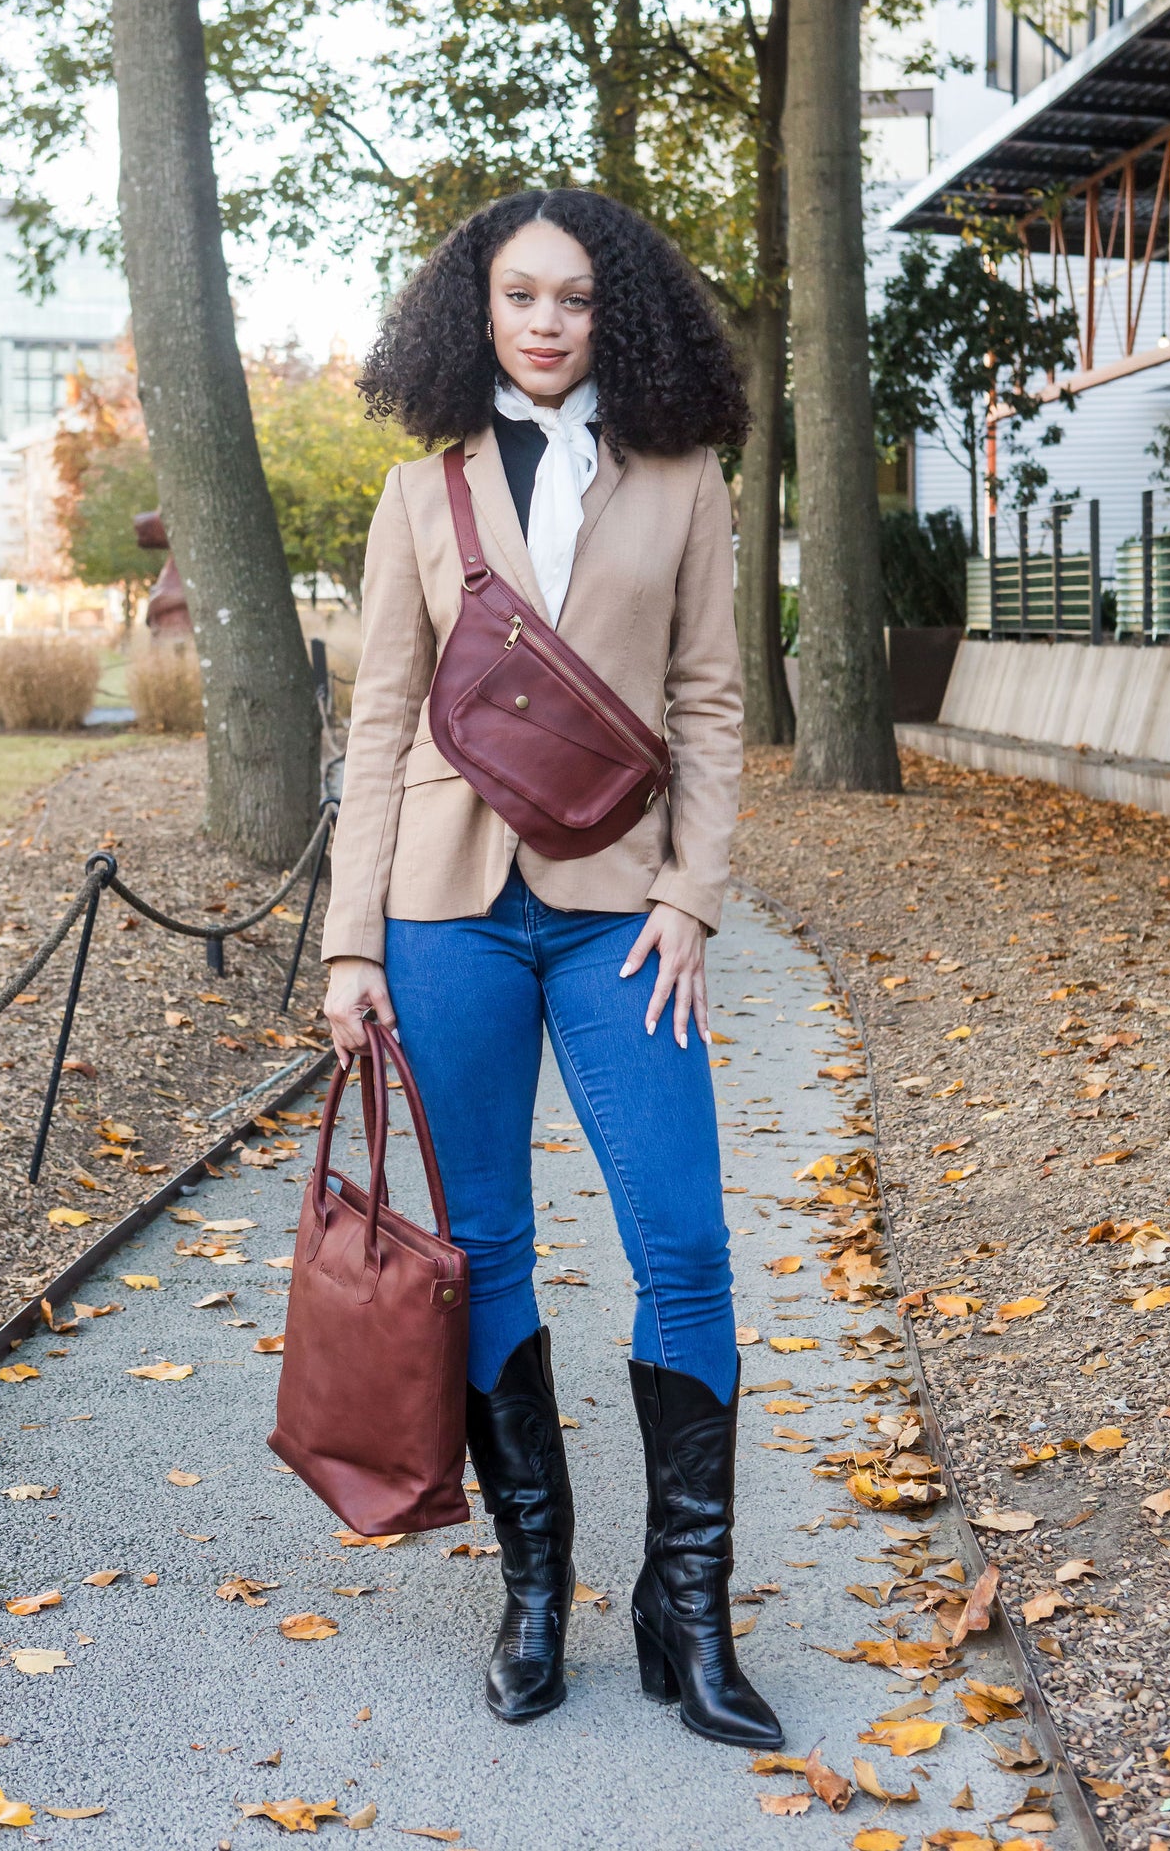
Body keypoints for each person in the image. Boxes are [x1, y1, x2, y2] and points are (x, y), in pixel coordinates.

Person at [320, 187, 781, 1751]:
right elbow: (378, 726)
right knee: (489, 1251)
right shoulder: (417, 492)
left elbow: (711, 701)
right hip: (445, 911)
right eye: (516, 295)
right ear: (476, 311)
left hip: (617, 914)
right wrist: (348, 942)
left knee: (686, 1245)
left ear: (616, 315)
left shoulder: (684, 477)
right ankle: (536, 1595)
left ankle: (688, 1608)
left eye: (573, 298)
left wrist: (694, 898)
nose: (541, 322)